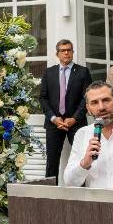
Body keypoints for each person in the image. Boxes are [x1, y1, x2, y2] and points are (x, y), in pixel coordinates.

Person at [39, 39, 92, 183]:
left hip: (76, 123)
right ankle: (51, 193)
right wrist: (53, 118)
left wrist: (74, 118)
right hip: (54, 124)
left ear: (73, 52)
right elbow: (43, 98)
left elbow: (87, 98)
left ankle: (81, 192)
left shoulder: (83, 72)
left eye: (69, 50)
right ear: (57, 54)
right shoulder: (49, 72)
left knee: (82, 159)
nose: (66, 53)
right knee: (52, 162)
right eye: (63, 50)